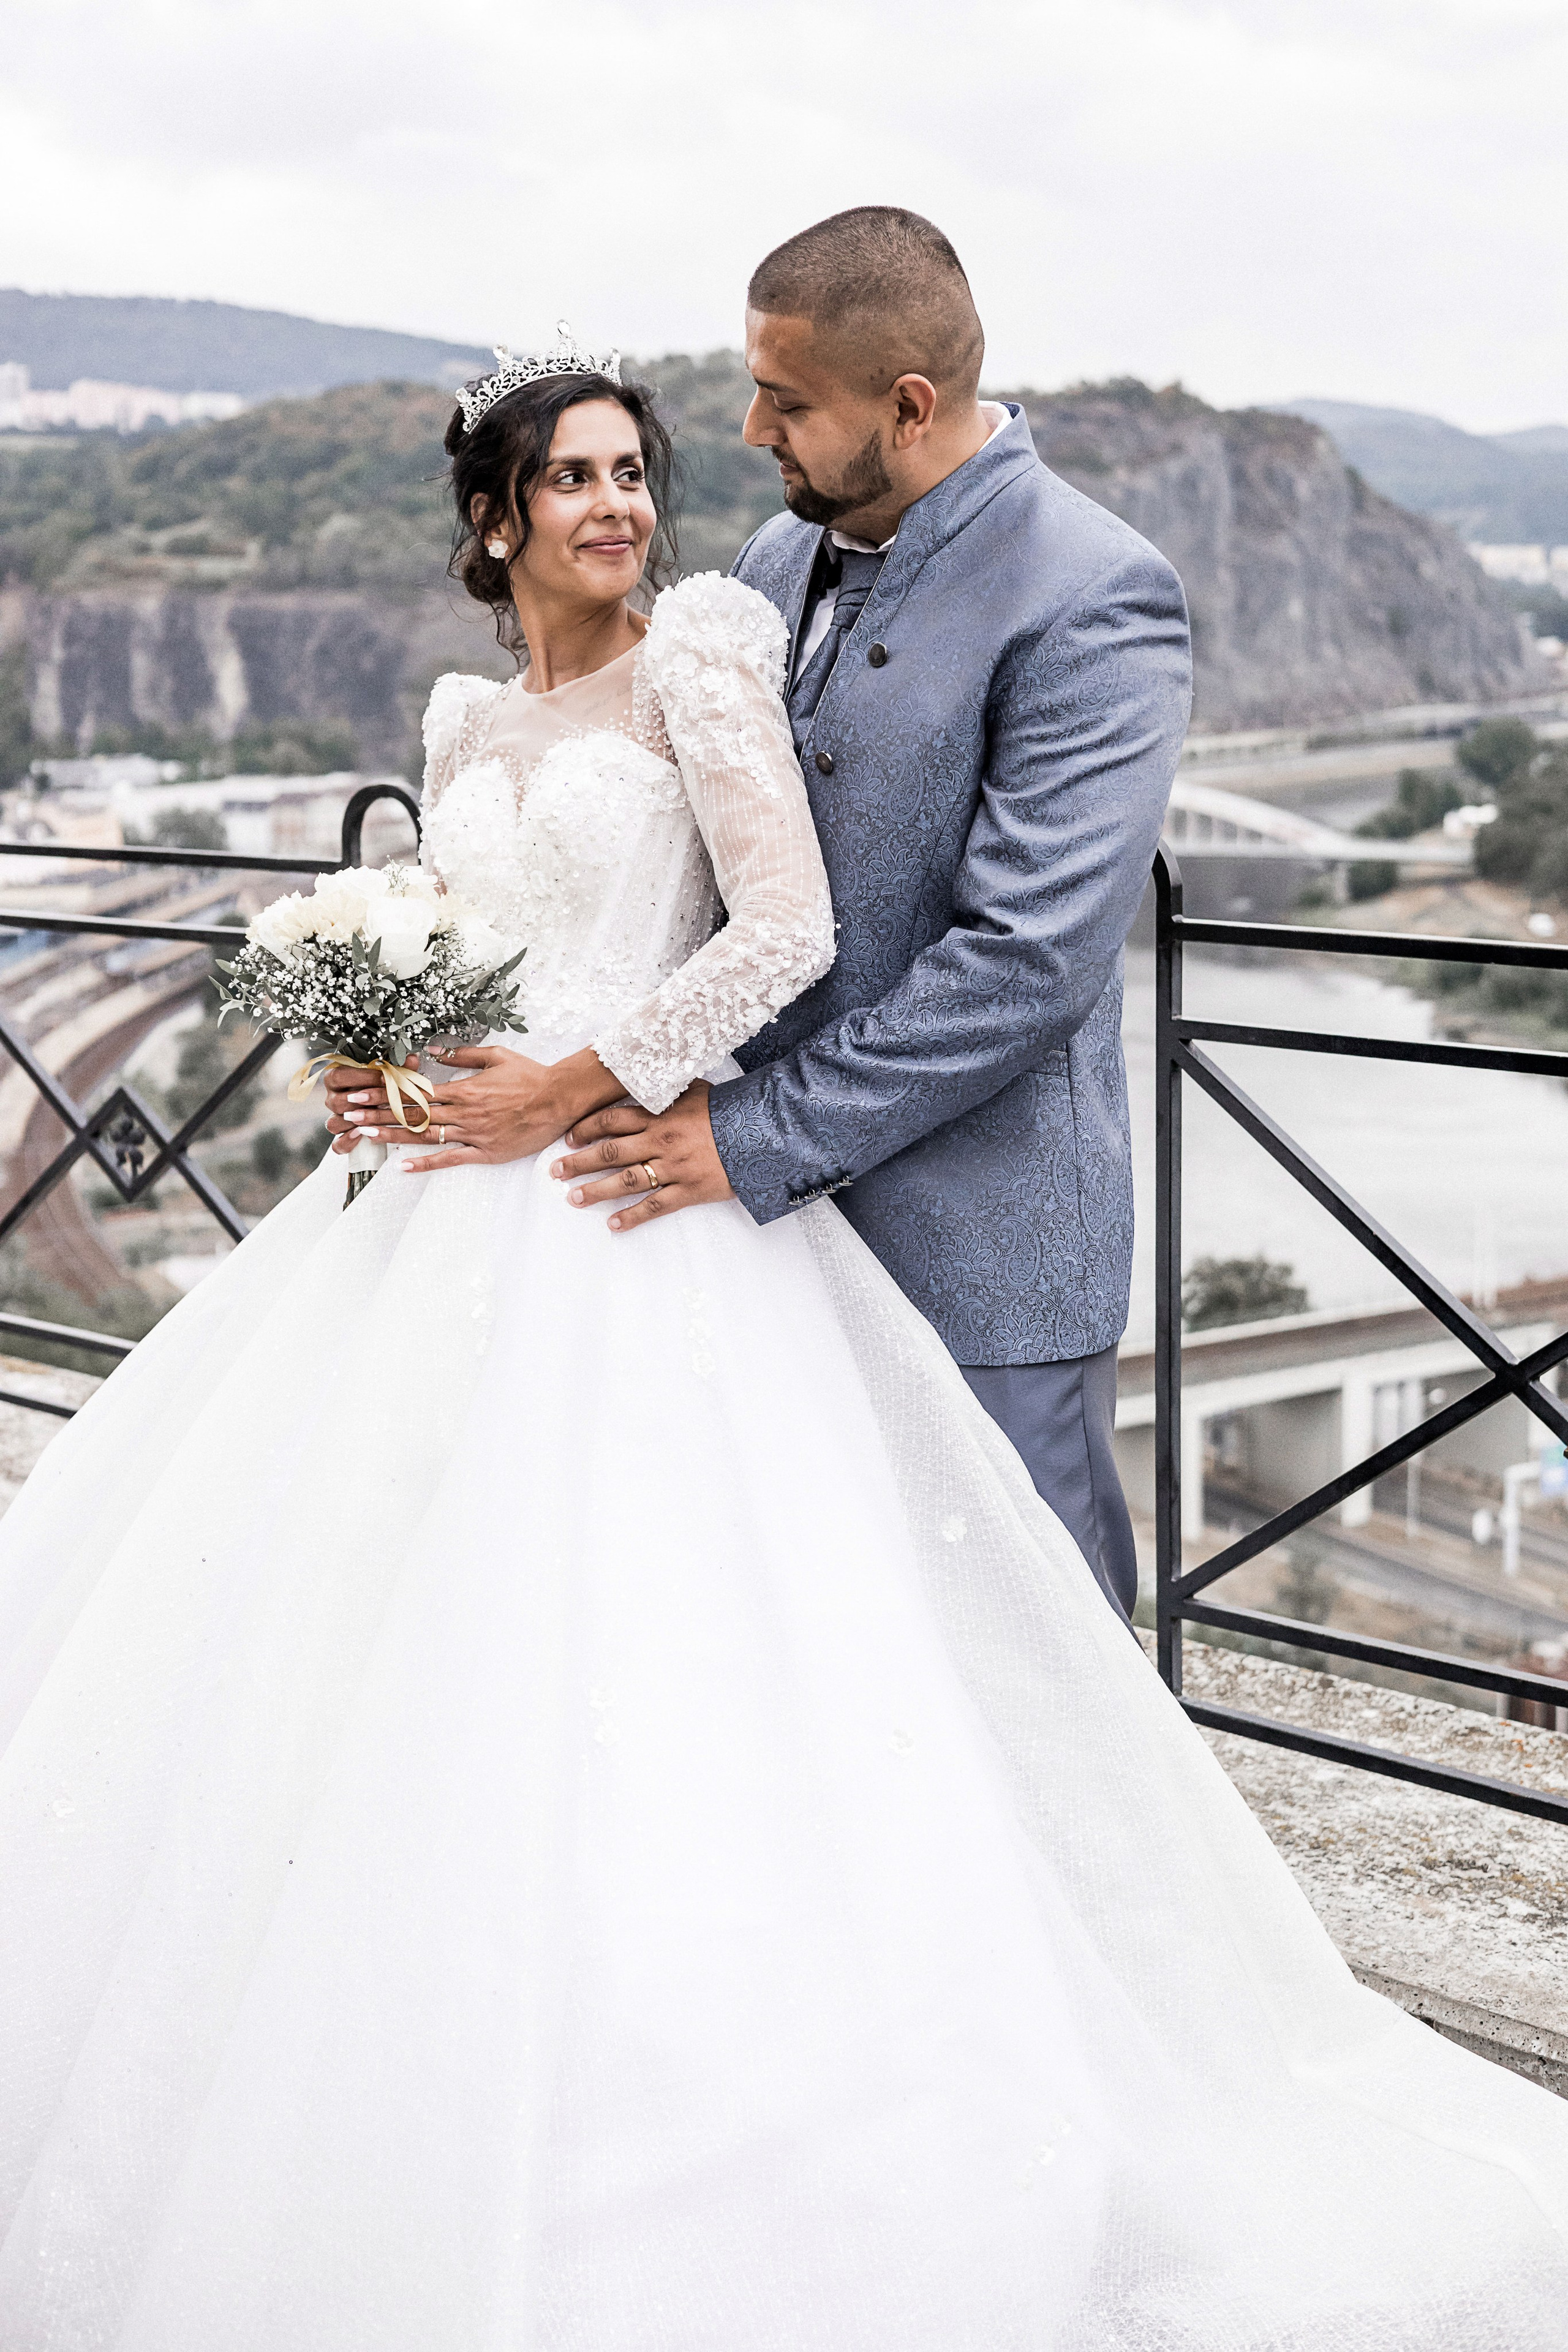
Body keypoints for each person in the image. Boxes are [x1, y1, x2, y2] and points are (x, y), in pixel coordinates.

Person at [1, 321, 1567, 2352]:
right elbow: (450, 955)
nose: (628, 498)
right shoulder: (462, 721)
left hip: (634, 1203)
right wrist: (373, 1063)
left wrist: (574, 1087)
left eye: (635, 467)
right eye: (573, 476)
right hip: (437, 1213)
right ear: (495, 521)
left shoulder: (713, 651)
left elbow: (790, 934)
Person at [341, 209, 1190, 1623]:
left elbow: (1024, 964)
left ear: (904, 407)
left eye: (785, 402)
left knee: (1035, 1656)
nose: (747, 430)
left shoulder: (1094, 593)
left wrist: (740, 1137)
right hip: (728, 1248)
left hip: (967, 1242)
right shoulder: (768, 568)